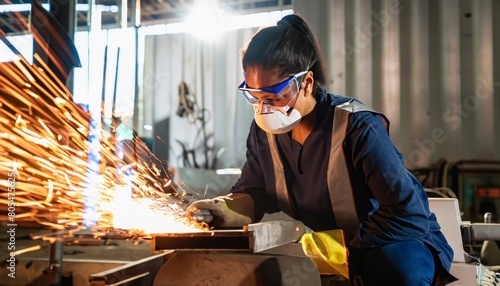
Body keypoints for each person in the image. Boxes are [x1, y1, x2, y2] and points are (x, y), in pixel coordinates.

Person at [186, 14, 457, 286]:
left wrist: (344, 250)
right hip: (328, 250)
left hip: (391, 244)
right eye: (254, 97)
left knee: (393, 271)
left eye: (272, 97)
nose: (262, 109)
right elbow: (256, 191)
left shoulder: (358, 127)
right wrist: (223, 209)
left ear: (306, 83)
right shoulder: (264, 132)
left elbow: (406, 213)